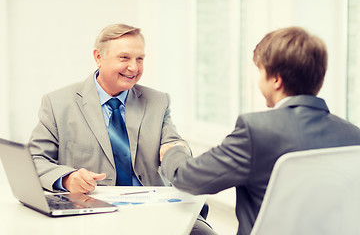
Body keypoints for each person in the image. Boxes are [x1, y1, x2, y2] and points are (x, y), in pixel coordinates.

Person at [159, 26, 360, 235]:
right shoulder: (354, 135)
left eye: (260, 71)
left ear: (276, 80)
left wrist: (173, 151)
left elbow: (189, 178)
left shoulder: (256, 131)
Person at [29, 24, 214, 235]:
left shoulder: (158, 101)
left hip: (156, 209)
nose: (134, 68)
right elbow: (35, 159)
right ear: (98, 57)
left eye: (140, 59)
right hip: (91, 213)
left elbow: (173, 143)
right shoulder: (58, 103)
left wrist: (177, 149)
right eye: (124, 58)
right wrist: (67, 178)